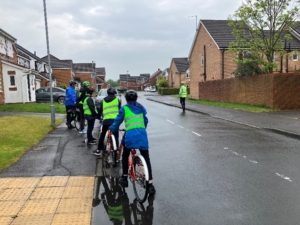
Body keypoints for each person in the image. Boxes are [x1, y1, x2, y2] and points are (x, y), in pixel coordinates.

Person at [110, 90, 156, 195]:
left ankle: (125, 178)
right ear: (136, 98)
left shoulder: (124, 108)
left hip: (130, 135)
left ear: (126, 99)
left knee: (125, 155)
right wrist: (142, 129)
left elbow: (117, 121)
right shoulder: (141, 108)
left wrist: (112, 129)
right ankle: (150, 184)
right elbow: (146, 121)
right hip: (142, 134)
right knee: (146, 158)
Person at [93, 87, 121, 156]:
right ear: (114, 93)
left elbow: (100, 111)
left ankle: (98, 150)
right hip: (115, 121)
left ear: (107, 93)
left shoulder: (103, 101)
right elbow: (120, 110)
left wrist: (98, 117)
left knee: (102, 135)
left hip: (106, 121)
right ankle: (116, 150)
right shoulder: (117, 100)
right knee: (116, 135)